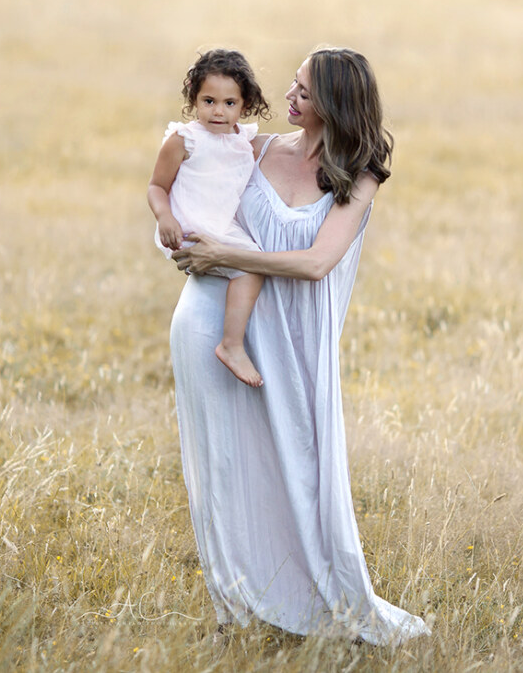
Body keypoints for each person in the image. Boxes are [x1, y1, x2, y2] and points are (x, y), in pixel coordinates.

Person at [168, 47, 430, 645]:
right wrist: (184, 237)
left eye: (304, 91)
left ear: (333, 106)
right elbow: (188, 200)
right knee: (222, 466)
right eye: (293, 82)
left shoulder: (357, 178)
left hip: (298, 342)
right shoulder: (252, 148)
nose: (288, 96)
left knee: (301, 469)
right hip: (214, 320)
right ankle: (232, 609)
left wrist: (223, 254)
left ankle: (311, 598)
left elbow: (315, 263)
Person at [148, 49, 272, 388]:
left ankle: (234, 336)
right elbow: (157, 186)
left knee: (256, 261)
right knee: (253, 266)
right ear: (194, 99)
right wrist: (165, 217)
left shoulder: (242, 138)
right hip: (189, 226)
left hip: (221, 227)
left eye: (229, 103)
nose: (218, 111)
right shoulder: (184, 140)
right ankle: (231, 344)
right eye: (209, 101)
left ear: (244, 105)